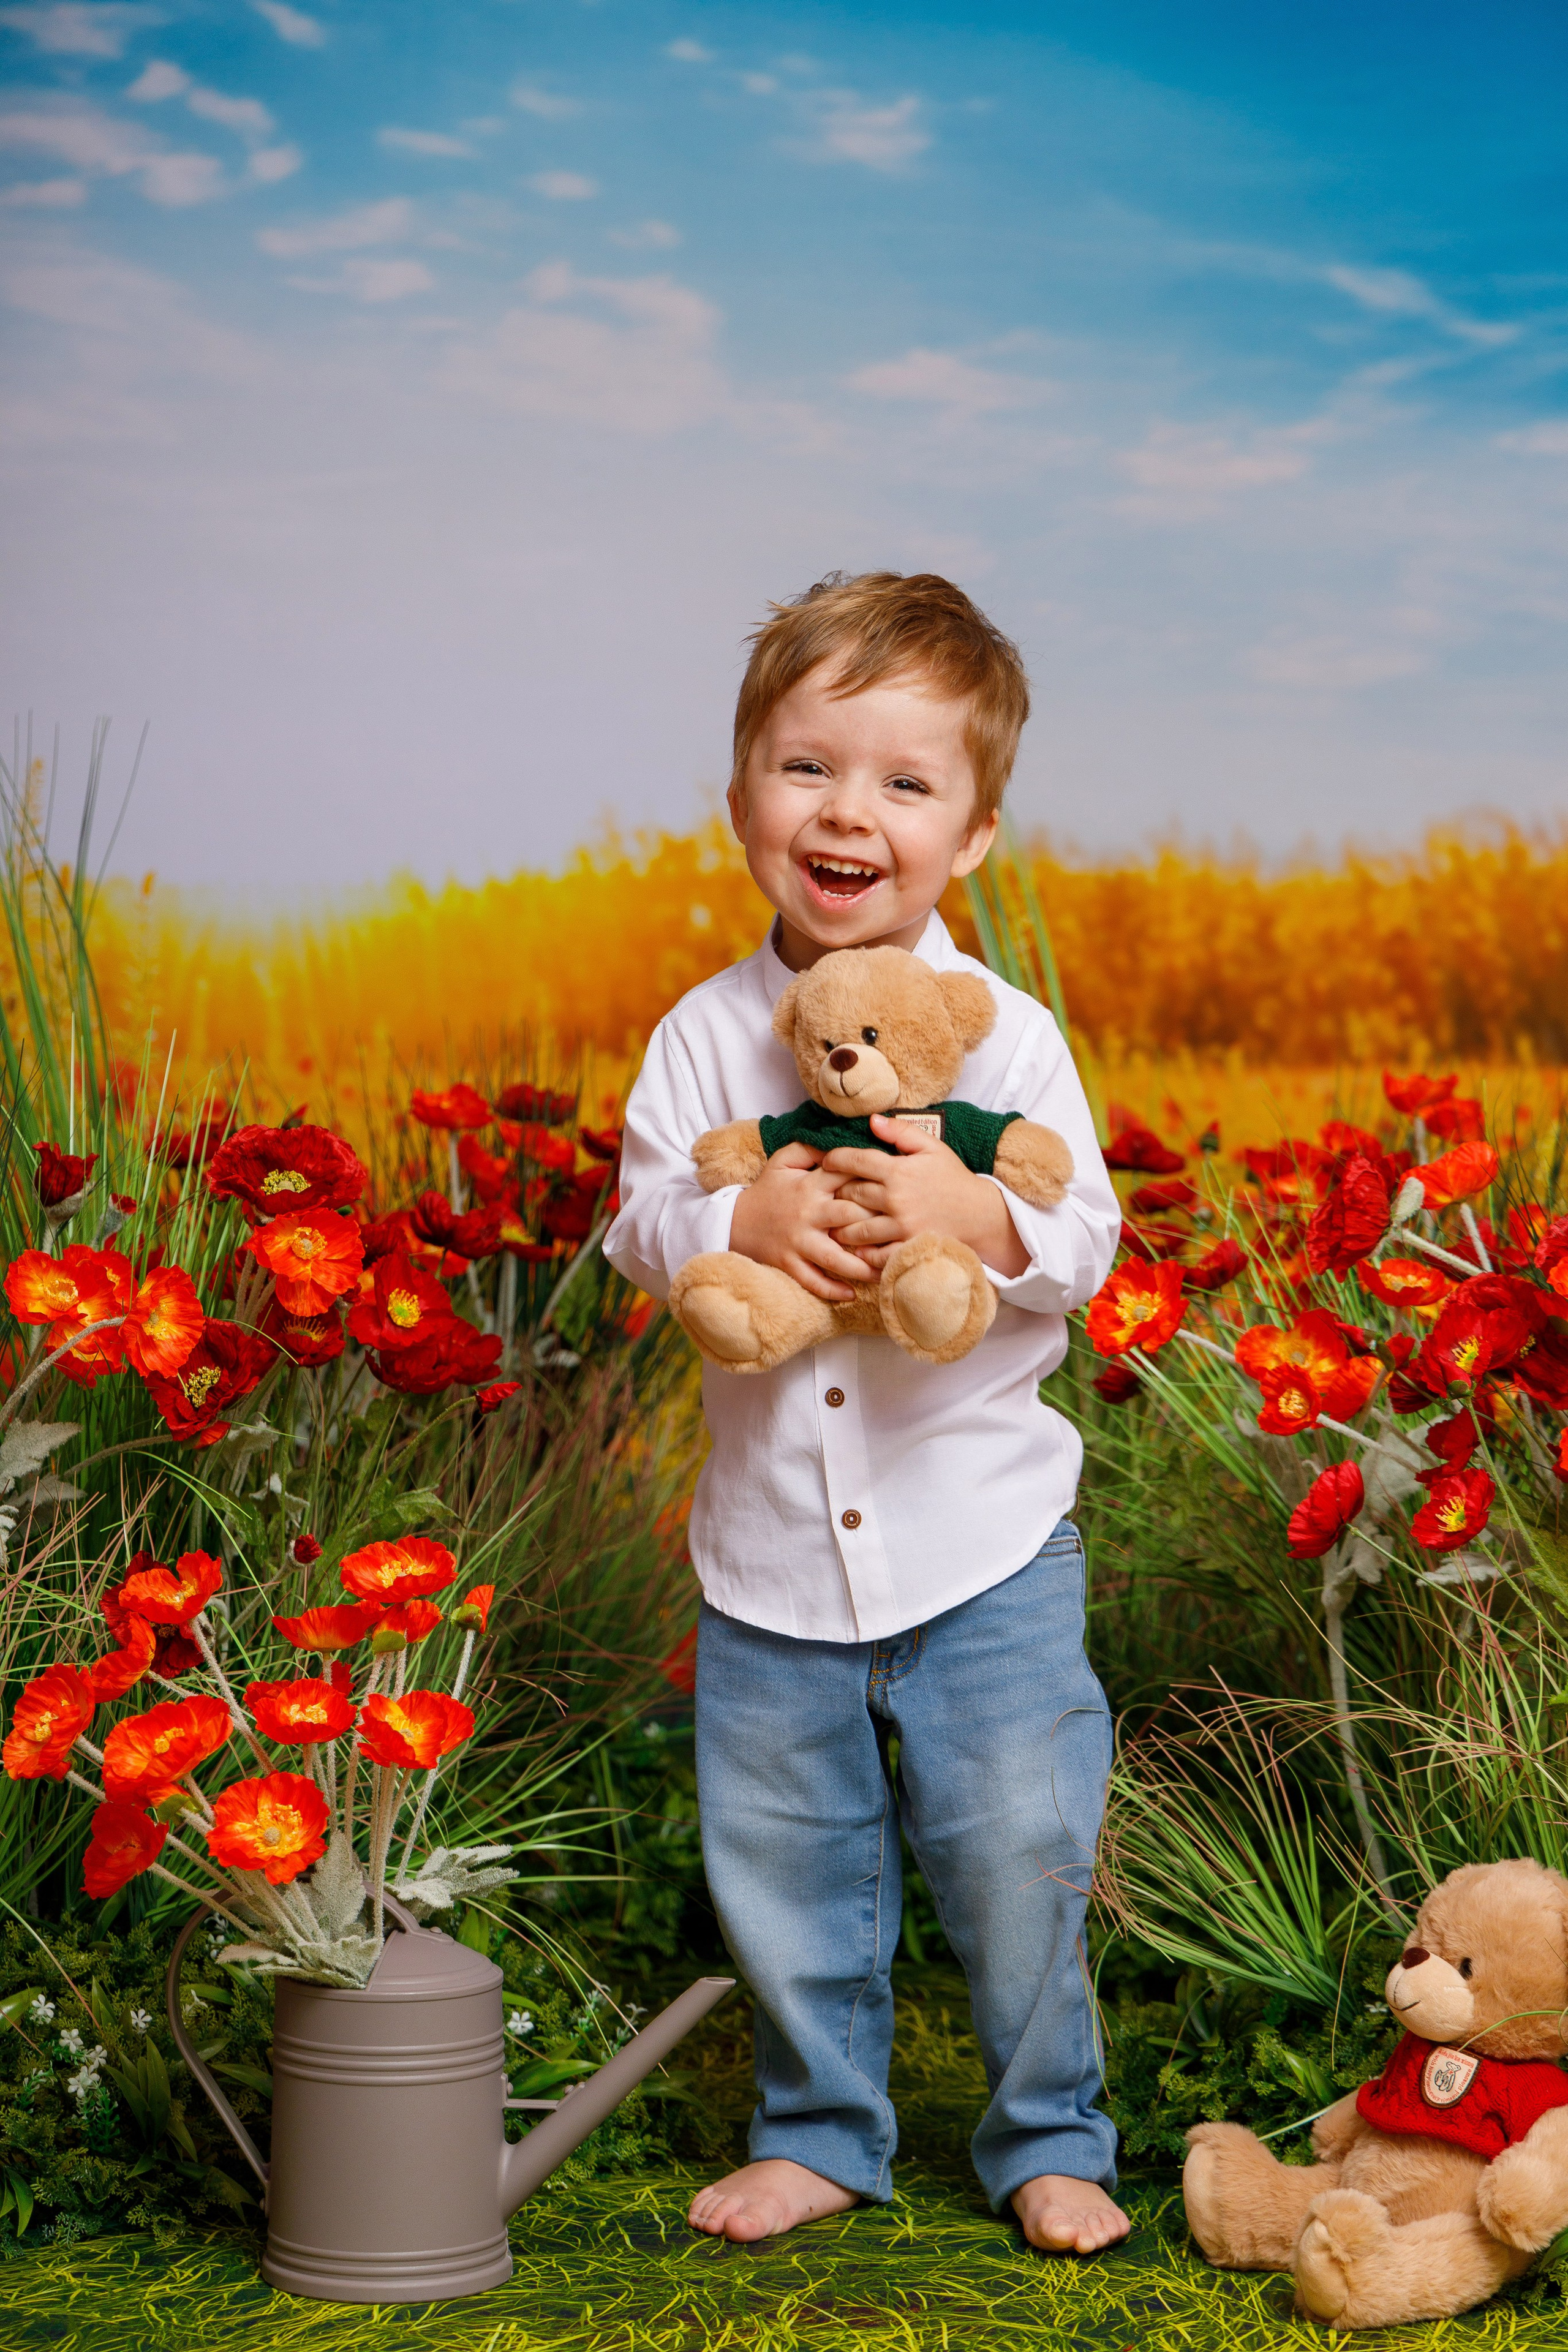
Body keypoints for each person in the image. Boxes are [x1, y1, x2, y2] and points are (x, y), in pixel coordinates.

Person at [603, 570, 1127, 2255]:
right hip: (768, 1562)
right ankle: (823, 2126)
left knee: (1020, 1846)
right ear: (743, 791)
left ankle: (1051, 2131)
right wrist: (730, 1226)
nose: (851, 815)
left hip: (983, 1546)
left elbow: (1089, 1238)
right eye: (810, 767)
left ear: (973, 836)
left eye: (908, 784)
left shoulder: (1012, 1043)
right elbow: (637, 1221)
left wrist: (982, 1220)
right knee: (788, 1860)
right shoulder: (701, 1041)